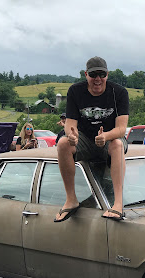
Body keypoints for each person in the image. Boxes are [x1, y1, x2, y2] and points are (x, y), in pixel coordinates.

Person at [55, 56, 129, 222]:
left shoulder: (119, 93)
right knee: (63, 144)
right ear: (86, 74)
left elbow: (121, 129)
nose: (97, 79)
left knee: (117, 144)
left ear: (107, 75)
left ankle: (118, 203)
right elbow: (70, 124)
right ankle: (71, 199)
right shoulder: (75, 91)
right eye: (93, 74)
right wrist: (72, 136)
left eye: (101, 75)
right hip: (84, 138)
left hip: (110, 137)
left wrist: (105, 136)